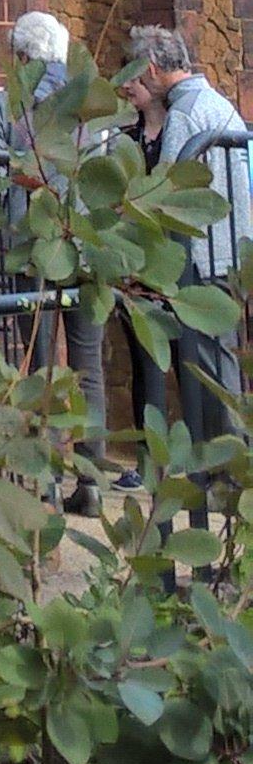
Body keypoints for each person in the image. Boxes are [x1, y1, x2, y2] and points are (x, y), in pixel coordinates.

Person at [0, 11, 106, 514]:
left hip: (33, 248)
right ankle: (91, 484)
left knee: (39, 363)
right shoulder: (90, 104)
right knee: (87, 367)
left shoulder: (6, 105)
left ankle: (43, 481)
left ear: (22, 56)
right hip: (87, 243)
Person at [118, 26, 253, 459]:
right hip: (228, 250)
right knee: (220, 366)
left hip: (204, 255)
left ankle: (224, 471)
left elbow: (165, 193)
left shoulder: (186, 114)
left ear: (152, 69)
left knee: (210, 372)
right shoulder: (215, 102)